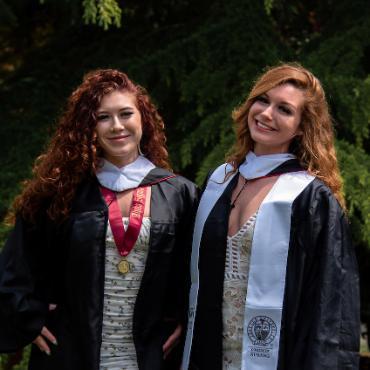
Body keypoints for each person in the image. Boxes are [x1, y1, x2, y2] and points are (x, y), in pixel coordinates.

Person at [0, 69, 198, 370]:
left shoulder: (178, 194)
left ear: (142, 117)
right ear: (88, 127)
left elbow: (194, 272)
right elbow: (18, 264)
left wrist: (187, 320)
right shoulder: (61, 193)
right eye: (103, 117)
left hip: (148, 355)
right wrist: (28, 317)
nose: (117, 126)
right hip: (71, 354)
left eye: (125, 113)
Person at [182, 63, 360, 369]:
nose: (266, 114)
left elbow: (330, 303)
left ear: (303, 126)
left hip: (279, 357)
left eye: (284, 109)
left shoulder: (309, 198)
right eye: (262, 100)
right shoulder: (219, 181)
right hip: (207, 353)